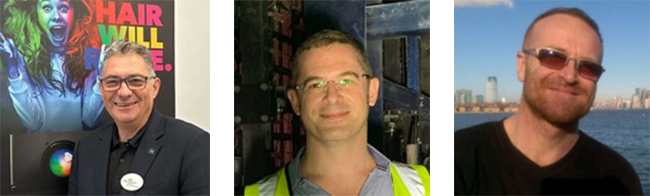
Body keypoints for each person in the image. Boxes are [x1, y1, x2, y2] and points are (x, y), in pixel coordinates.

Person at [454, 7, 642, 196]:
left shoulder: (619, 179)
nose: (570, 76)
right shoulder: (458, 158)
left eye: (588, 67)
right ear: (522, 65)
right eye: (553, 57)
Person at [245, 29, 429, 196]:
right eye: (315, 85)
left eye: (346, 81)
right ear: (296, 101)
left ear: (371, 92)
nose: (332, 97)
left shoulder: (426, 187)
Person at [68, 40, 210, 196]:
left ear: (154, 87)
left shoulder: (191, 145)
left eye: (135, 81)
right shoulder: (86, 150)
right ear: (101, 89)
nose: (123, 92)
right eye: (112, 82)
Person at [0, 0, 104, 132]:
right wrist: (13, 70)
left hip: (78, 145)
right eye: (47, 8)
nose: (56, 16)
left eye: (64, 9)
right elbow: (33, 123)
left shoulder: (89, 55)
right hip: (37, 146)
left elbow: (90, 119)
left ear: (76, 13)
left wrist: (102, 77)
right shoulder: (23, 56)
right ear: (35, 14)